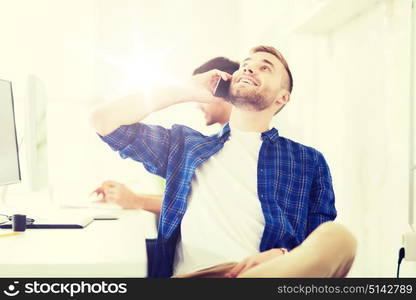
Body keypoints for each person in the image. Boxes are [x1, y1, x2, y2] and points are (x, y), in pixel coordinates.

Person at [90, 45, 357, 278]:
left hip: (264, 275)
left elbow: (316, 241)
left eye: (265, 68)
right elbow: (103, 121)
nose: (249, 70)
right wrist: (184, 89)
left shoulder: (308, 161)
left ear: (282, 97)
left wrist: (284, 255)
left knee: (339, 239)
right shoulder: (185, 147)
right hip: (197, 278)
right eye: (245, 66)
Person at [91, 57, 240, 214]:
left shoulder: (241, 150)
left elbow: (207, 207)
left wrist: (136, 200)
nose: (197, 105)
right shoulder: (211, 146)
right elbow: (188, 197)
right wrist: (127, 196)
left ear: (221, 90)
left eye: (202, 94)